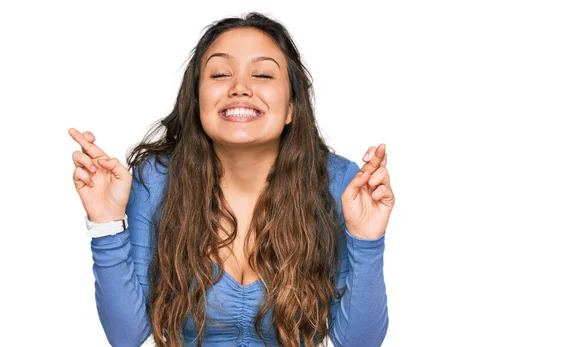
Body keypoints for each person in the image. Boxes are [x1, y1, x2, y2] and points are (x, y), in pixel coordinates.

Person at [69, 12, 394, 347]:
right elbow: (126, 336)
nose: (240, 88)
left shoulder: (337, 183)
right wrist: (106, 224)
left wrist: (367, 241)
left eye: (263, 74)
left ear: (291, 109)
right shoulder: (156, 180)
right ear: (197, 102)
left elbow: (359, 342)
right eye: (221, 74)